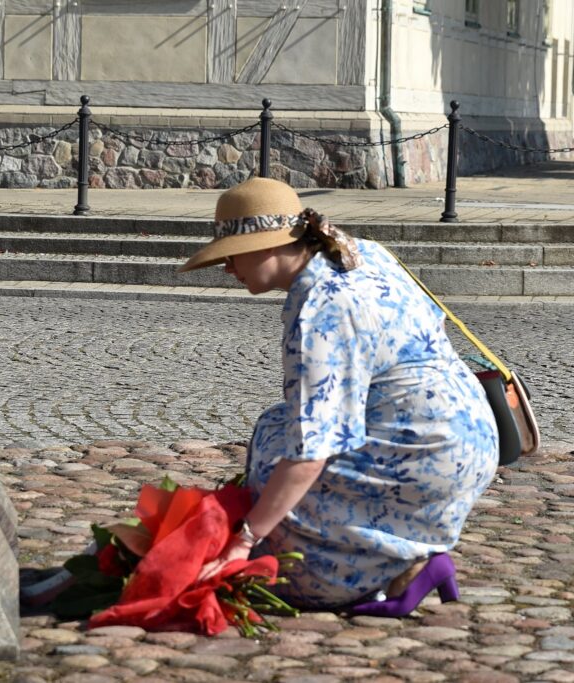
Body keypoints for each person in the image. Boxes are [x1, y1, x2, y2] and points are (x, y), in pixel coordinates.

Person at [180, 177, 498, 615]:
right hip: (469, 431)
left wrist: (245, 540)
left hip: (423, 454)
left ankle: (382, 571)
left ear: (266, 246)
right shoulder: (360, 252)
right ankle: (404, 553)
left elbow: (312, 449)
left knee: (278, 513)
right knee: (274, 427)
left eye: (231, 255)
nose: (227, 269)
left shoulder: (320, 308)